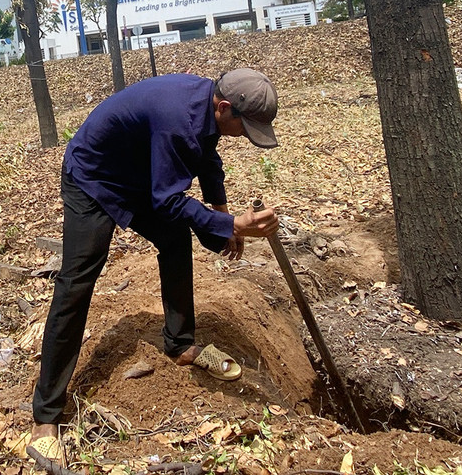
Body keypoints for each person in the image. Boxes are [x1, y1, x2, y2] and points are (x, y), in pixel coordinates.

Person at [28, 68, 282, 464]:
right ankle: (45, 415)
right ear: (224, 107)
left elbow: (207, 156)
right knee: (77, 281)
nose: (244, 136)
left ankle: (181, 345)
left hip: (139, 175)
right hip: (94, 177)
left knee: (175, 239)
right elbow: (168, 201)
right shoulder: (177, 118)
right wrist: (232, 226)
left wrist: (221, 211)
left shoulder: (207, 105)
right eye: (244, 127)